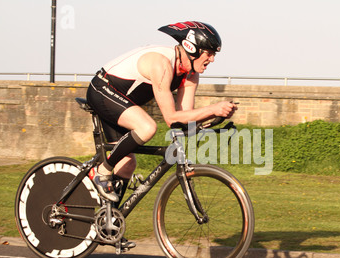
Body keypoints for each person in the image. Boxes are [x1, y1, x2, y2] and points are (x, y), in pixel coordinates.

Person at [86, 21, 237, 205]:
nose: (212, 59)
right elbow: (171, 118)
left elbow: (184, 119)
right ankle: (102, 170)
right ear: (192, 48)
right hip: (103, 90)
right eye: (209, 53)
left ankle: (108, 228)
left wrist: (215, 118)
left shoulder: (190, 75)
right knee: (147, 127)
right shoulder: (162, 64)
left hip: (122, 103)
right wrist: (212, 108)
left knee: (127, 165)